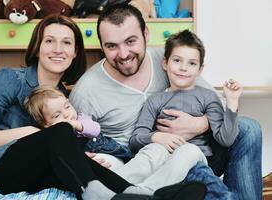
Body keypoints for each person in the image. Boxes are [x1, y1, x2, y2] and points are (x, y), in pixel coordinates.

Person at [0, 14, 204, 200]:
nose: (58, 49)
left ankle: (142, 195)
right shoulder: (10, 79)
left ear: (75, 53)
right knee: (61, 131)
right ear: (37, 47)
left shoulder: (66, 97)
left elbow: (72, 143)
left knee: (79, 156)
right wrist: (33, 133)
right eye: (49, 41)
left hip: (32, 172)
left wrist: (84, 156)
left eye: (66, 43)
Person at [69, 3, 262, 200]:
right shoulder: (87, 90)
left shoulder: (171, 59)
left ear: (146, 34)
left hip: (197, 151)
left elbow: (216, 105)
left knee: (248, 128)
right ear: (102, 45)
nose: (124, 54)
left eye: (130, 41)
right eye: (112, 46)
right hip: (143, 159)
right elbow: (72, 140)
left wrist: (199, 124)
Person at [129, 29, 243, 186]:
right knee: (152, 153)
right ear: (165, 63)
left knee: (188, 151)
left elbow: (226, 139)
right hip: (163, 160)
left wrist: (232, 101)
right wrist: (156, 137)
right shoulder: (154, 100)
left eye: (192, 63)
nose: (183, 68)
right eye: (177, 60)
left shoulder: (209, 97)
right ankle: (116, 189)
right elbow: (135, 139)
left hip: (197, 163)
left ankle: (145, 191)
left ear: (200, 69)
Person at [24, 85, 100, 138]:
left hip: (104, 149)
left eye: (67, 107)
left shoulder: (81, 119)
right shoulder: (52, 135)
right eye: (57, 115)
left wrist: (78, 125)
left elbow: (96, 130)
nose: (66, 114)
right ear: (45, 123)